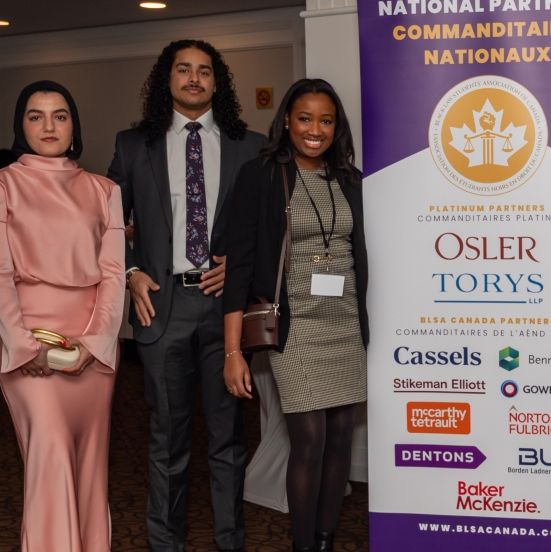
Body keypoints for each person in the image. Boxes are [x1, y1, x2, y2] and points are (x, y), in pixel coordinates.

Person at [107, 39, 266, 552]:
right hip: (162, 308)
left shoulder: (251, 146)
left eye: (205, 71)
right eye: (184, 69)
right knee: (166, 442)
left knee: (228, 441)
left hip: (227, 313)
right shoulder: (134, 146)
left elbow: (270, 229)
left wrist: (239, 269)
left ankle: (230, 542)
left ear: (218, 82)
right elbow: (105, 225)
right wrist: (130, 271)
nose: (194, 78)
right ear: (167, 79)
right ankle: (164, 545)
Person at [222, 78, 367, 552]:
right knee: (309, 437)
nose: (315, 130)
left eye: (326, 121)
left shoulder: (349, 178)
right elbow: (239, 267)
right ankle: (303, 546)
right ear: (286, 120)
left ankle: (324, 541)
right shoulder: (261, 174)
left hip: (344, 321)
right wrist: (232, 352)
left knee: (341, 437)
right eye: (305, 118)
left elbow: (359, 249)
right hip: (295, 325)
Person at [0, 81, 125, 551]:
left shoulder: (103, 190)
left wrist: (94, 346)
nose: (48, 126)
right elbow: (0, 272)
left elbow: (113, 276)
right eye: (35, 116)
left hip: (90, 352)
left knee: (90, 470)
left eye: (59, 115)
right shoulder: (4, 184)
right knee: (49, 463)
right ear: (21, 125)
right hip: (29, 347)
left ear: (74, 125)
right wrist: (23, 344)